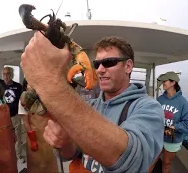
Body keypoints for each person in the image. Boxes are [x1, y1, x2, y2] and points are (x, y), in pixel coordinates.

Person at [20, 32, 164, 173]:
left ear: (128, 66)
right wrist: (64, 143)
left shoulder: (149, 107)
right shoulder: (90, 105)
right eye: (97, 64)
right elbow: (71, 154)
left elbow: (132, 161)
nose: (100, 70)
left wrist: (53, 84)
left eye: (109, 62)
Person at [149, 71, 188, 173]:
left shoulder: (183, 102)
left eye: (165, 81)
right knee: (151, 160)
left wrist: (173, 127)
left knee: (166, 163)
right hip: (158, 136)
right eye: (163, 81)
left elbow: (187, 125)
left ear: (173, 83)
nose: (163, 83)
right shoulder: (160, 99)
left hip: (173, 138)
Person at [0, 52, 25, 163]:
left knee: (17, 137)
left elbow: (23, 100)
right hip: (2, 118)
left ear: (12, 74)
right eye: (4, 74)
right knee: (2, 137)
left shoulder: (18, 86)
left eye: (8, 73)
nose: (6, 76)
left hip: (15, 116)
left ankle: (18, 155)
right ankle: (4, 155)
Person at [18, 78, 58, 173]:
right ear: (25, 86)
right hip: (34, 136)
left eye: (34, 83)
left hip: (48, 136)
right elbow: (26, 122)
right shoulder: (23, 101)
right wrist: (32, 140)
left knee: (50, 163)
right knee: (35, 164)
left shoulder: (45, 98)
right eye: (29, 84)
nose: (32, 86)